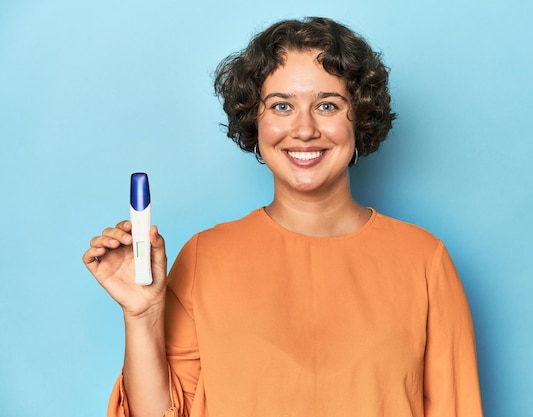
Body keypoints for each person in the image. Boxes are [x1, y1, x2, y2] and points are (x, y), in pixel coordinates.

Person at [83, 17, 483, 417]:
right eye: (282, 106)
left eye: (327, 105)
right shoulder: (206, 257)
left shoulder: (423, 261)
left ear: (359, 117)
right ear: (255, 121)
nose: (304, 129)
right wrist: (143, 315)